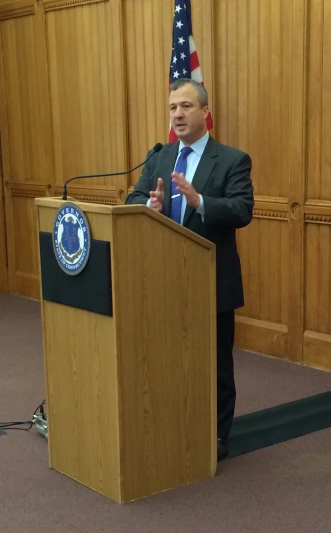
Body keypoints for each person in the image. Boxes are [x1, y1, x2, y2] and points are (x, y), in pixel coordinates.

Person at [126, 78, 254, 462]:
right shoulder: (160, 156)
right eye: (172, 108)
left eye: (185, 106)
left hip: (211, 277)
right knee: (167, 356)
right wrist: (148, 205)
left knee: (214, 362)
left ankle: (215, 434)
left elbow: (243, 210)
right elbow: (134, 196)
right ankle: (173, 422)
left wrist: (201, 202)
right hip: (163, 277)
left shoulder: (232, 159)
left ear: (205, 113)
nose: (177, 114)